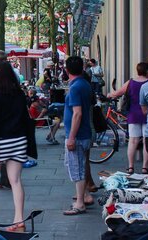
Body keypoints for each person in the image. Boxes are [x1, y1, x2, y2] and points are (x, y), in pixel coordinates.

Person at [0, 62, 37, 232]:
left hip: (0, 141)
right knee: (15, 181)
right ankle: (19, 219)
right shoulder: (19, 94)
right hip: (19, 140)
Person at [106, 62, 148, 174]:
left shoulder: (130, 82)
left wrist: (109, 95)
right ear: (147, 71)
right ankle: (145, 167)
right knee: (147, 141)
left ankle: (131, 166)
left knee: (133, 141)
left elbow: (117, 93)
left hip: (133, 114)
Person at [62, 56, 94, 216]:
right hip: (84, 133)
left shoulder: (75, 88)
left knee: (77, 169)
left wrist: (72, 137)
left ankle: (80, 203)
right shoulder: (84, 84)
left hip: (78, 135)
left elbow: (77, 114)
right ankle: (84, 196)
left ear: (67, 70)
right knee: (78, 166)